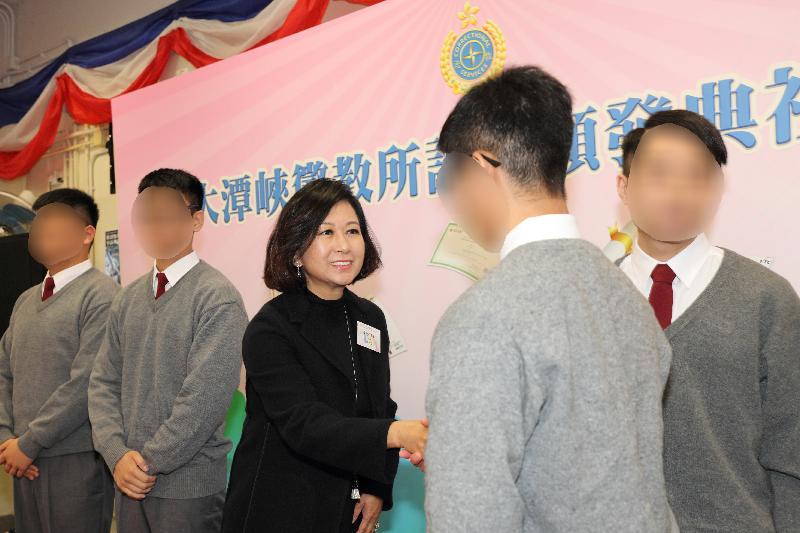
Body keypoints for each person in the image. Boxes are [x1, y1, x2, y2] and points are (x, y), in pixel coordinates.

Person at [423, 66, 677, 532]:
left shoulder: (483, 317)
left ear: (482, 165)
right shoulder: (628, 298)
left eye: (450, 178)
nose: (454, 200)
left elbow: (470, 517)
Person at [617, 109, 800, 531]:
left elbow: (791, 449)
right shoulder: (589, 296)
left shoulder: (766, 297)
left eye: (698, 175)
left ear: (718, 188)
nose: (679, 191)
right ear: (624, 187)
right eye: (659, 173)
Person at [222, 178, 427, 533]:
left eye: (352, 231)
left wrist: (376, 485)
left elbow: (379, 407)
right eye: (326, 233)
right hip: (279, 508)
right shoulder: (270, 328)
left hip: (346, 509)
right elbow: (305, 424)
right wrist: (397, 434)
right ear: (296, 249)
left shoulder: (370, 318)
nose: (344, 245)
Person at [88, 168, 248, 533]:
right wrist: (117, 456)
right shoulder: (127, 298)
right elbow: (102, 384)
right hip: (127, 481)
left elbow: (203, 402)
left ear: (196, 219)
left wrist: (144, 462)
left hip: (187, 489)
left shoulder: (217, 297)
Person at [0, 188, 118, 532]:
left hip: (74, 458)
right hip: (20, 459)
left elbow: (86, 382)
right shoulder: (25, 300)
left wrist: (30, 442)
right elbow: (3, 371)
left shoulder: (101, 296)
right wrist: (7, 439)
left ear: (86, 234)